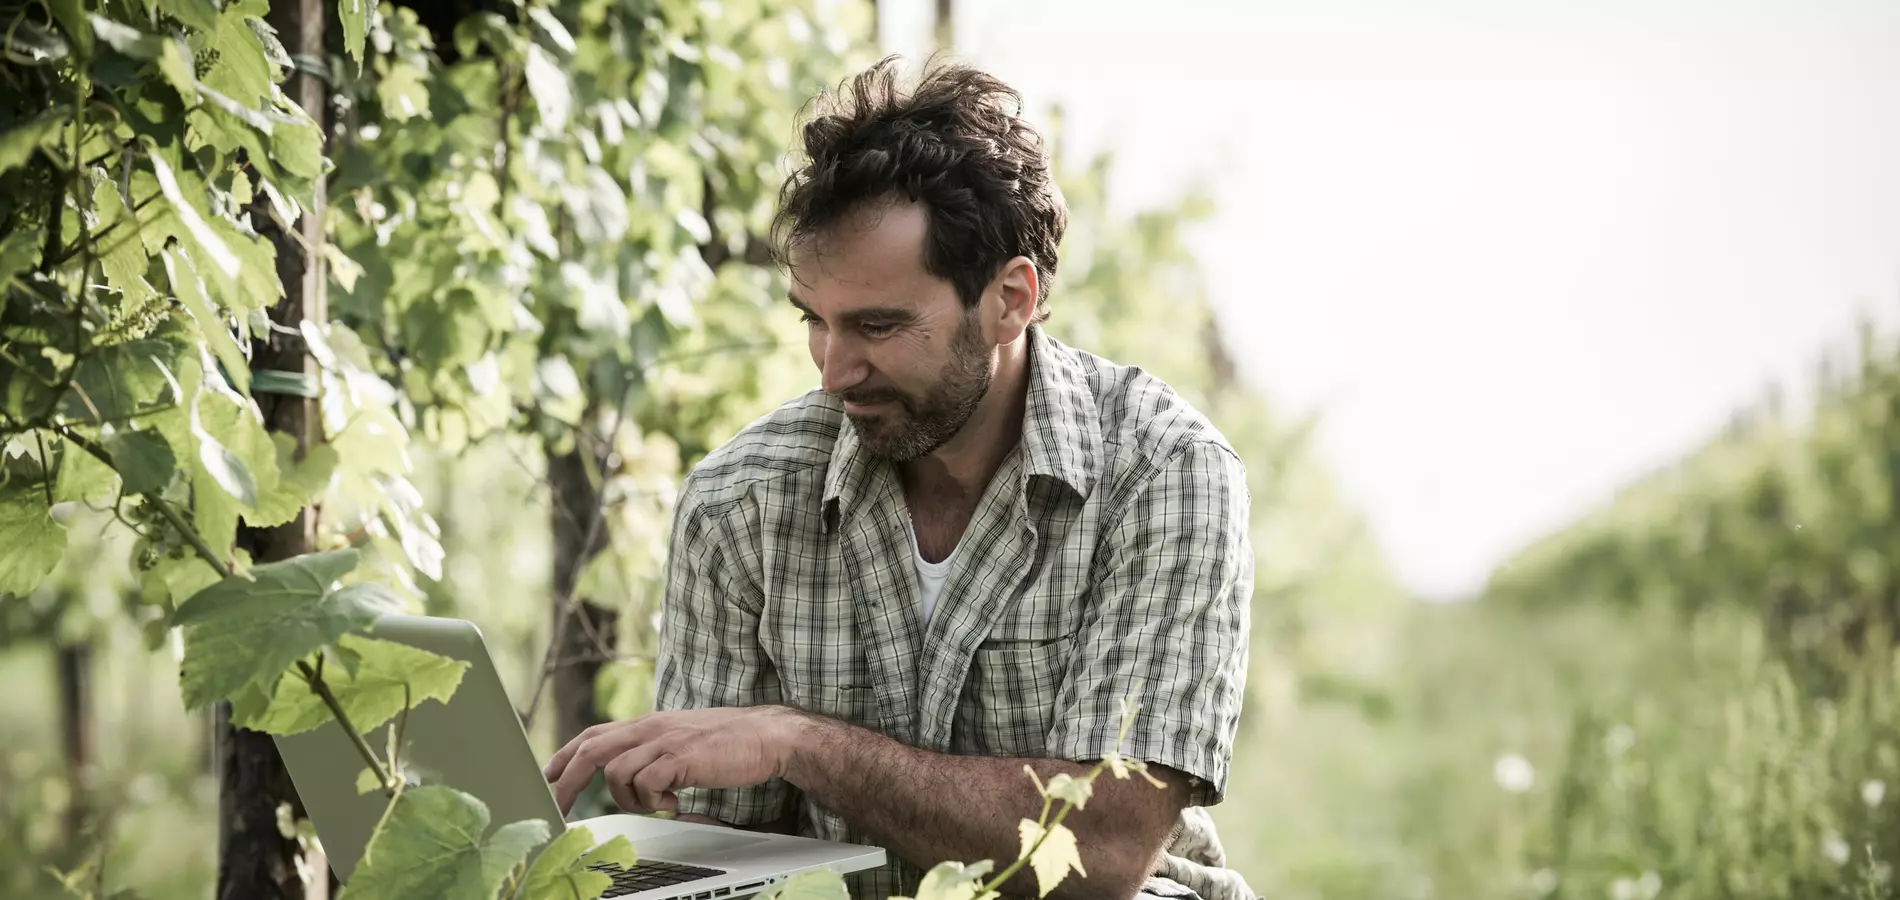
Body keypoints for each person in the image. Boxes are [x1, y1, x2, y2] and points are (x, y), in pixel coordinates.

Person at [542, 56, 1256, 900]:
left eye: (877, 326)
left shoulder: (1163, 476)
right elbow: (721, 866)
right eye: (816, 321)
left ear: (1011, 300)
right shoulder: (740, 503)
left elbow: (1098, 857)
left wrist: (802, 743)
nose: (833, 369)